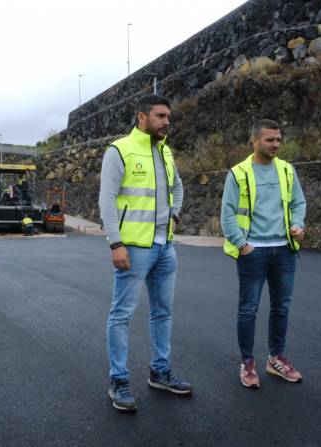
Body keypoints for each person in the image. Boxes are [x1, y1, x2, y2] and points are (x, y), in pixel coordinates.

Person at [98, 94, 191, 412]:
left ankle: (160, 372)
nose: (167, 122)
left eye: (168, 117)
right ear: (142, 116)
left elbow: (178, 187)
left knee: (163, 312)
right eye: (160, 116)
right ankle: (118, 380)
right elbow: (107, 199)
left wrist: (174, 216)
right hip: (134, 248)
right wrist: (115, 243)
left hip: (165, 247)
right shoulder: (120, 150)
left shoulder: (165, 151)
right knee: (121, 315)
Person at [220, 119, 307, 389]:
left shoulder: (287, 170)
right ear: (254, 141)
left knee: (282, 307)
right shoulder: (238, 173)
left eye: (279, 139)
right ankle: (247, 362)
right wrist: (242, 245)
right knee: (248, 309)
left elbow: (298, 203)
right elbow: (227, 214)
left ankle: (276, 358)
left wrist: (298, 225)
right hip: (253, 251)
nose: (276, 144)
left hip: (284, 250)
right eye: (270, 140)